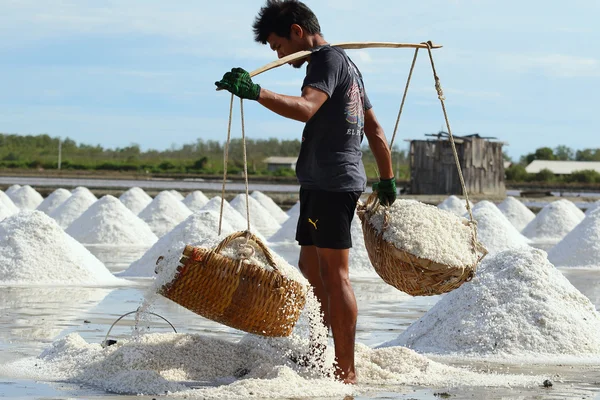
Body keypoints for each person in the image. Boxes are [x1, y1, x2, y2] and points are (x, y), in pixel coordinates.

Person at [215, 0, 396, 384]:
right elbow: (375, 130)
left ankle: (346, 370)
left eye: (279, 47)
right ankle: (318, 351)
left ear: (297, 32)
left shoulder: (326, 62)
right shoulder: (347, 66)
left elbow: (306, 108)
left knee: (335, 275)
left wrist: (256, 92)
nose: (280, 56)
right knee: (310, 270)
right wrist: (387, 179)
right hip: (320, 183)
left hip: (333, 183)